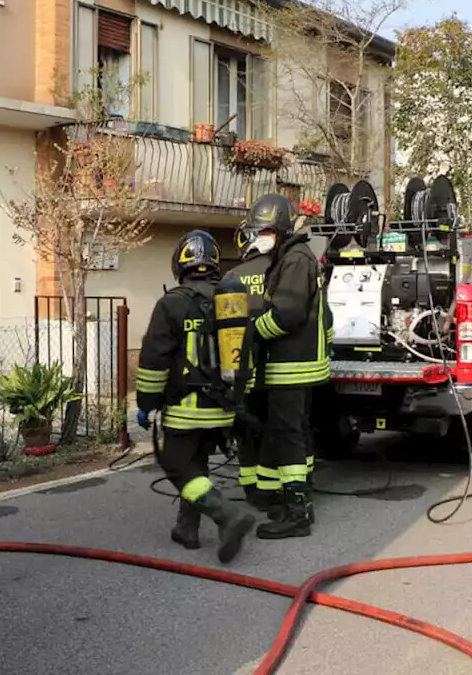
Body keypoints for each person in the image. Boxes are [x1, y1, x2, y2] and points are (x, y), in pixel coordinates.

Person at [134, 230, 255, 563]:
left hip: (186, 409)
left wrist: (146, 404)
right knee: (197, 464)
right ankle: (186, 529)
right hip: (225, 408)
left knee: (177, 468)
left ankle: (226, 515)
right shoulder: (228, 301)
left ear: (180, 265)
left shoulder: (171, 303)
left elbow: (154, 361)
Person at [246, 194, 331, 540]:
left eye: (264, 231)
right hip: (297, 365)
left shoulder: (295, 261)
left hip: (291, 366)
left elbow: (287, 315)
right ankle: (289, 500)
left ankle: (297, 513)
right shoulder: (291, 257)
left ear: (280, 229)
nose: (259, 237)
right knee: (295, 432)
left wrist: (254, 332)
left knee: (288, 437)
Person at [224, 223, 281, 511]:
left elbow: (225, 330)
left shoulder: (232, 277)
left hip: (241, 373)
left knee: (245, 434)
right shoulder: (282, 270)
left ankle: (251, 488)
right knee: (274, 431)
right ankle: (272, 491)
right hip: (278, 369)